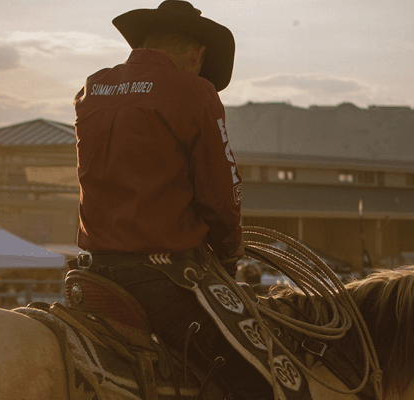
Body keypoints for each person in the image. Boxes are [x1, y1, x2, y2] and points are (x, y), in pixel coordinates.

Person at [73, 1, 270, 397]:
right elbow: (221, 189)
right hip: (160, 282)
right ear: (196, 54)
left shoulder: (91, 88)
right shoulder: (195, 92)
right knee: (258, 377)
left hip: (90, 275)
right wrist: (229, 251)